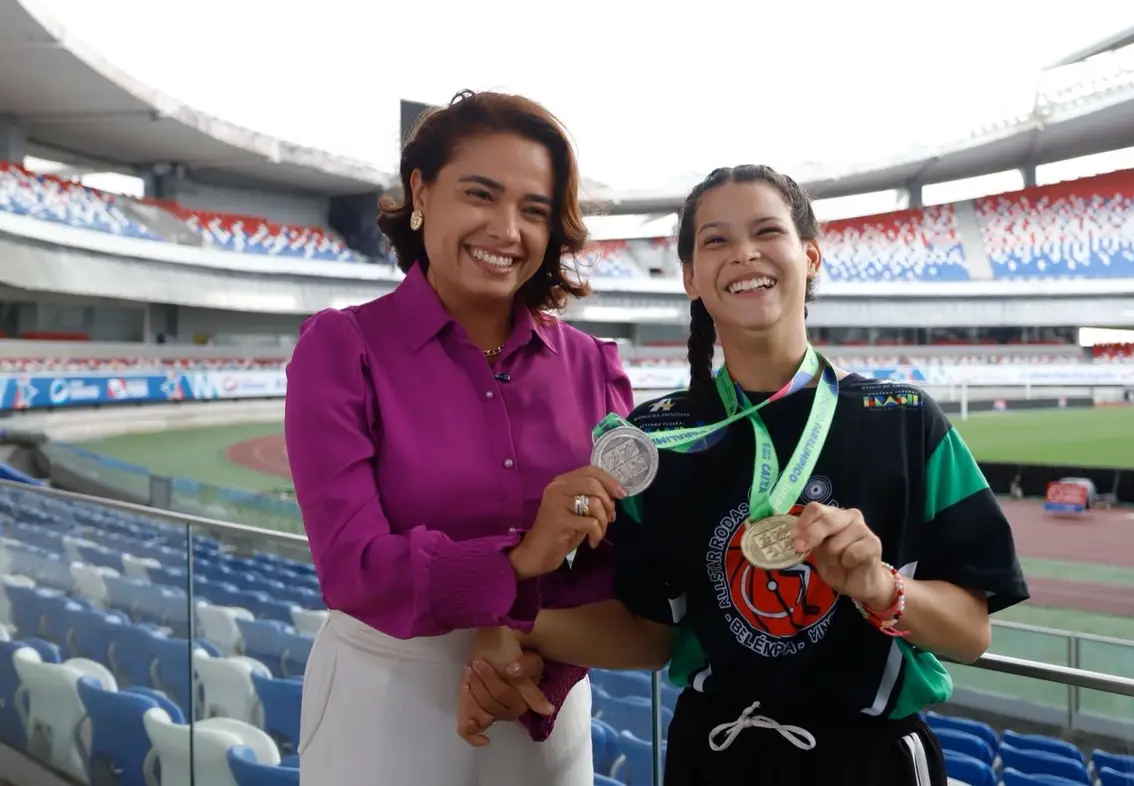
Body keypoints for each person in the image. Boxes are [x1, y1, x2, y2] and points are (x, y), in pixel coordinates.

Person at [457, 164, 1030, 785]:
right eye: (716, 240)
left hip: (870, 763)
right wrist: (513, 623)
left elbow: (971, 634)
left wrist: (877, 584)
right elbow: (650, 636)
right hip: (713, 756)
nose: (744, 253)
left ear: (810, 256)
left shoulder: (903, 420)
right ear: (690, 278)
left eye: (767, 231)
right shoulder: (656, 439)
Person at [283, 89, 632, 786]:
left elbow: (614, 566)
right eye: (481, 194)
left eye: (534, 210)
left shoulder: (594, 367)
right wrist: (520, 559)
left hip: (540, 704)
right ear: (421, 192)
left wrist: (538, 666)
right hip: (383, 705)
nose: (506, 229)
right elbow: (352, 566)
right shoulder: (342, 347)